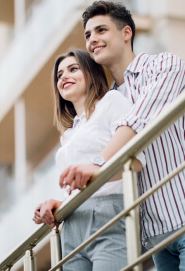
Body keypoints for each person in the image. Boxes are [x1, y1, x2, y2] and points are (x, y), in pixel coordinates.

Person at [59, 1, 185, 270]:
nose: (92, 39)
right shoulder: (112, 100)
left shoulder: (164, 65)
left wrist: (97, 165)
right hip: (156, 232)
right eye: (88, 35)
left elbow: (139, 120)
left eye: (101, 30)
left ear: (126, 33)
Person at [33, 49, 143, 271]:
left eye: (73, 69)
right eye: (59, 75)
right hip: (72, 224)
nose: (64, 76)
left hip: (108, 213)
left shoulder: (111, 102)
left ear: (91, 73)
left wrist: (95, 172)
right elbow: (80, 185)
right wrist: (60, 204)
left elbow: (136, 161)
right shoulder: (68, 134)